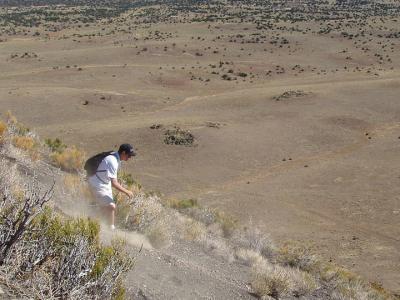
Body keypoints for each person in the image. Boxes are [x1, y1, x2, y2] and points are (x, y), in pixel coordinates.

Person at [88, 143, 135, 229]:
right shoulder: (112, 161)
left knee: (105, 206)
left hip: (105, 182)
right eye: (129, 155)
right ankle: (110, 230)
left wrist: (118, 182)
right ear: (123, 153)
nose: (130, 157)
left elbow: (112, 177)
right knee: (111, 206)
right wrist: (127, 191)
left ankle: (99, 224)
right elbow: (114, 183)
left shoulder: (117, 158)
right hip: (97, 183)